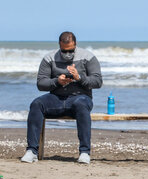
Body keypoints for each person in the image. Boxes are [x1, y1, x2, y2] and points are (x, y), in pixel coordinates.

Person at [21, 31, 102, 164]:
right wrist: (57, 82)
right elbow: (41, 83)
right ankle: (32, 151)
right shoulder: (49, 58)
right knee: (37, 104)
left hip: (80, 98)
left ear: (75, 44)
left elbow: (98, 82)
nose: (67, 55)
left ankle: (84, 152)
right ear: (59, 45)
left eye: (71, 51)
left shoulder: (88, 57)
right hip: (56, 98)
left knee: (81, 104)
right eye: (64, 51)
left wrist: (79, 78)